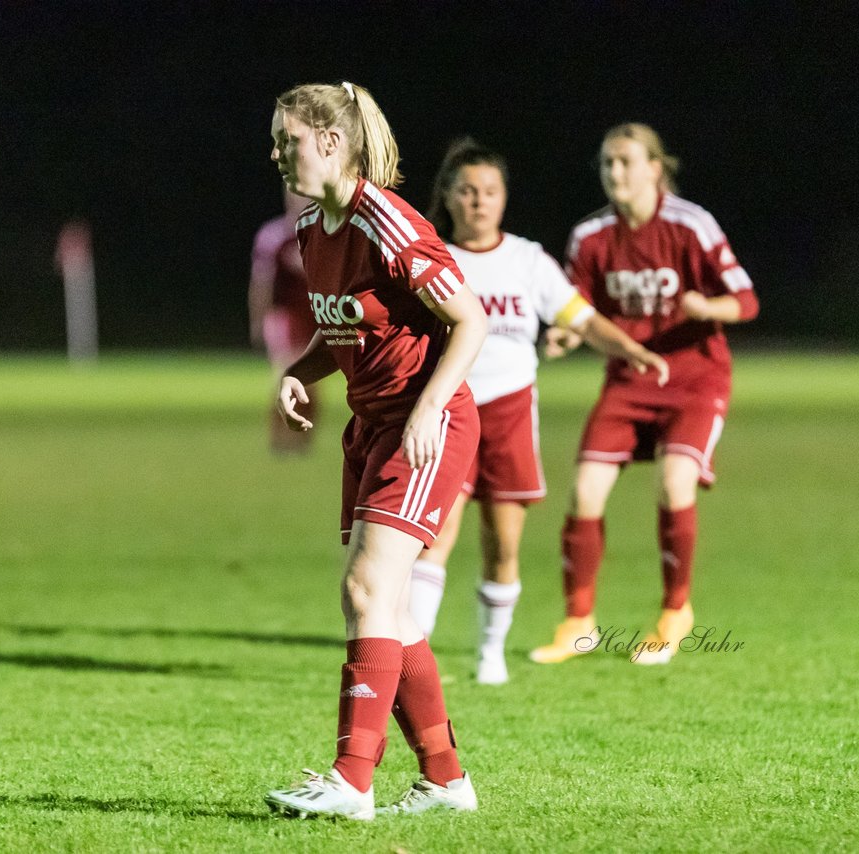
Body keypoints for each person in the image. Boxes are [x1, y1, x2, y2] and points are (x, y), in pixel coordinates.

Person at [262, 81, 487, 820]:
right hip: (371, 427)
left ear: (330, 142)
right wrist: (302, 372)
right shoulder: (310, 234)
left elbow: (470, 320)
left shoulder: (383, 219)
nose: (277, 153)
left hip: (429, 424)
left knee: (365, 592)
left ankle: (352, 780)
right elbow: (346, 333)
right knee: (388, 606)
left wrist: (426, 410)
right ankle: (446, 780)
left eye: (287, 138)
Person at [407, 139, 669, 686]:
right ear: (449, 198)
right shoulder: (433, 259)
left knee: (503, 544)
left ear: (504, 199)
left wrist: (631, 349)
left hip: (508, 413)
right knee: (435, 537)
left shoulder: (527, 260)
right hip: (449, 412)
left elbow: (584, 317)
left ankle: (489, 654)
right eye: (468, 191)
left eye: (491, 191)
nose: (480, 201)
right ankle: (417, 659)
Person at [529, 123, 759, 667]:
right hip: (628, 383)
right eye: (608, 163)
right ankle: (578, 624)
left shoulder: (690, 224)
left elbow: (746, 300)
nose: (615, 173)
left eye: (627, 162)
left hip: (695, 380)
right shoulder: (590, 237)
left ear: (656, 168)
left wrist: (709, 309)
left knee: (674, 480)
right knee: (585, 491)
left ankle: (675, 613)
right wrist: (565, 333)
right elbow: (577, 309)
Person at [249, 188, 319, 453]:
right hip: (284, 317)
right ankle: (279, 439)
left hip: (314, 319)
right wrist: (258, 318)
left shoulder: (322, 234)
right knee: (287, 375)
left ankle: (301, 439)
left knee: (311, 383)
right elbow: (261, 284)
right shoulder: (273, 236)